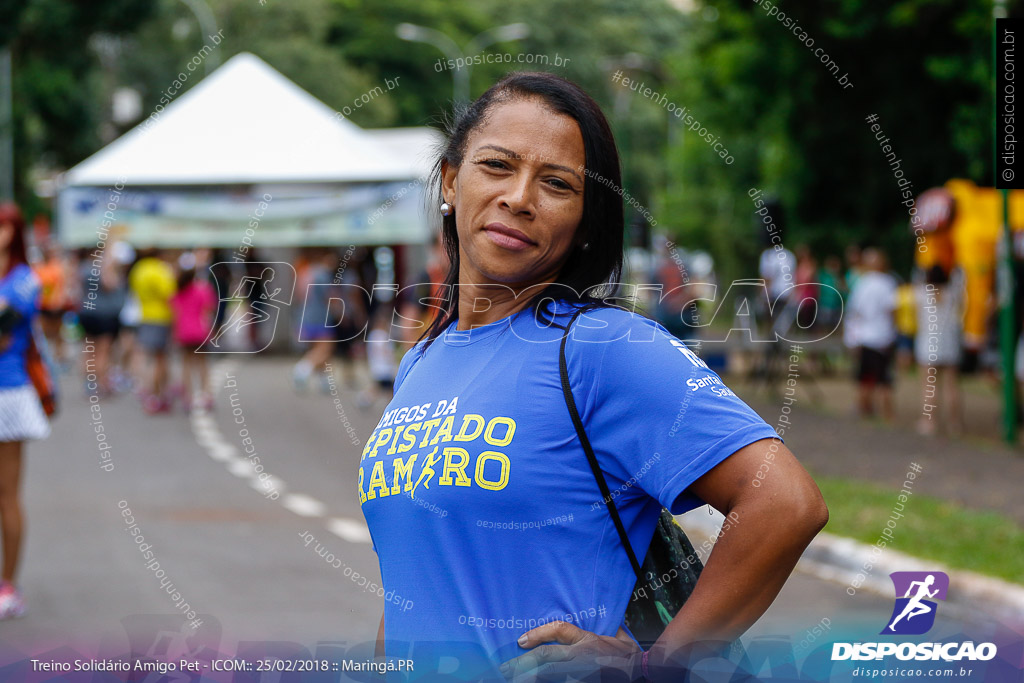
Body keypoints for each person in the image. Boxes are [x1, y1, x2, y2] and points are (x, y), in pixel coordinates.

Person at [358, 72, 828, 681]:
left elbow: (785, 503)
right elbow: (413, 579)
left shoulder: (601, 347)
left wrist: (659, 665)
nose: (520, 197)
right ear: (451, 180)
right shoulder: (422, 361)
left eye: (556, 183)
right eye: (497, 166)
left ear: (584, 220)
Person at [0, 202, 50, 619]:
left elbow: (4, 335)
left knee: (7, 495)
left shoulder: (23, 281)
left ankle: (8, 585)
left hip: (8, 394)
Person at [844, 248, 898, 420]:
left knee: (865, 378)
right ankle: (887, 413)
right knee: (884, 380)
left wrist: (852, 338)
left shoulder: (862, 283)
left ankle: (864, 411)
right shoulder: (888, 282)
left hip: (865, 338)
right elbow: (892, 310)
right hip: (883, 338)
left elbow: (855, 312)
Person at [915, 264, 964, 436]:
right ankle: (954, 424)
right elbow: (960, 279)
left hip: (927, 344)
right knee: (952, 386)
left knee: (929, 387)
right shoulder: (952, 294)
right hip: (949, 343)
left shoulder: (921, 294)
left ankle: (929, 422)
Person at [128, 249, 177, 413]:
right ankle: (156, 394)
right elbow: (169, 294)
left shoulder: (138, 269)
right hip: (161, 317)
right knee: (160, 358)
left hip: (144, 315)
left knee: (148, 356)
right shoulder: (160, 269)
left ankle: (150, 391)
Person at [77, 247, 126, 397]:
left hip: (86, 312)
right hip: (103, 315)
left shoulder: (84, 268)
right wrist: (109, 266)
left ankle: (89, 384)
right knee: (103, 352)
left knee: (89, 350)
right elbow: (109, 284)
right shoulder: (102, 269)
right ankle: (99, 384)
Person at [170, 267, 217, 412]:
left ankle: (187, 398)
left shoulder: (178, 292)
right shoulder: (203, 289)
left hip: (184, 331)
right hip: (200, 331)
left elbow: (173, 310)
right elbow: (209, 309)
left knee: (186, 364)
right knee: (202, 364)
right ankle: (206, 395)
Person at [358, 305, 398, 409]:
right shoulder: (382, 335)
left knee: (383, 388)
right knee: (386, 388)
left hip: (377, 367)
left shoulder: (373, 335)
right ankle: (364, 399)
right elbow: (385, 351)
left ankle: (365, 399)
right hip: (384, 368)